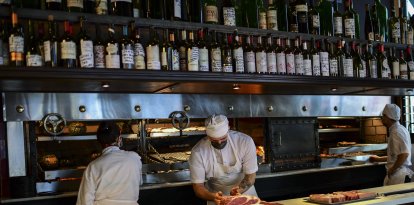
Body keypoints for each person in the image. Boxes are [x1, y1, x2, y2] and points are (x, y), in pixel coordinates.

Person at [189, 114, 258, 205]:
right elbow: (198, 188)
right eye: (214, 140)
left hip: (245, 193)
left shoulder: (245, 142)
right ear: (207, 135)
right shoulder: (198, 151)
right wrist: (214, 197)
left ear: (228, 128)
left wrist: (238, 192)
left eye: (223, 138)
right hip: (214, 195)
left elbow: (250, 177)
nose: (219, 142)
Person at [76, 121, 143, 205]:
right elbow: (139, 182)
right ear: (118, 139)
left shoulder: (93, 166)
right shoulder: (134, 158)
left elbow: (85, 200)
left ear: (99, 142)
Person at [369, 104, 413, 186]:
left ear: (389, 116)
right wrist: (378, 159)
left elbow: (404, 154)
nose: (382, 118)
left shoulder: (397, 132)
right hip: (397, 174)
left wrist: (392, 169)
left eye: (384, 115)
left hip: (399, 175)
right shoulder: (398, 129)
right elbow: (395, 156)